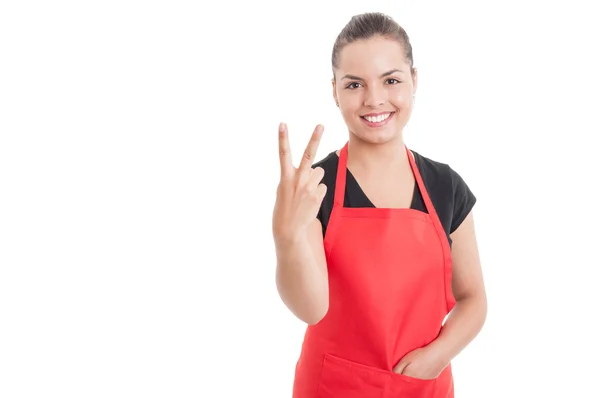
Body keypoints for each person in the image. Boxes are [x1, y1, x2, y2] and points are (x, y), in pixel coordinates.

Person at [272, 12, 487, 398]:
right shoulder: (313, 188)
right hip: (333, 388)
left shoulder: (445, 187)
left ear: (414, 80)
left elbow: (474, 299)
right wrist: (286, 238)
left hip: (423, 387)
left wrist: (437, 356)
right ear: (335, 90)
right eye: (355, 84)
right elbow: (311, 309)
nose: (374, 99)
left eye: (391, 80)